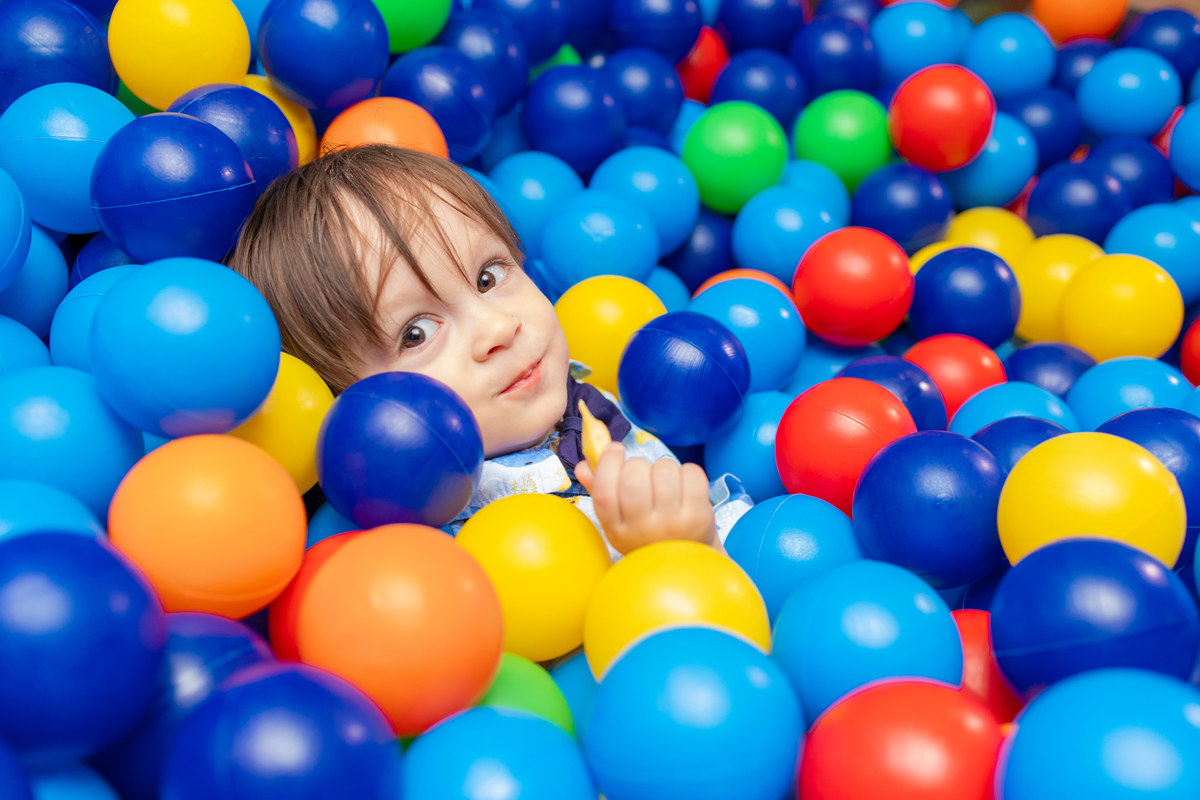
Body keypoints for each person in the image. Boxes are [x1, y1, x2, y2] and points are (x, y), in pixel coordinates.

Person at [230, 144, 750, 557]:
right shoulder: (439, 548)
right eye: (416, 333)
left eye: (488, 276)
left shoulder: (591, 403)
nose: (497, 327)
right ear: (350, 409)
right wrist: (674, 557)